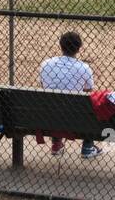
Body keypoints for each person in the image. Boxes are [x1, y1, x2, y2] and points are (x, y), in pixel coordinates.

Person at [38, 30, 101, 159]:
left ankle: (56, 144)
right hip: (75, 117)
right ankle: (87, 146)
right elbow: (88, 91)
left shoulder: (46, 64)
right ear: (79, 49)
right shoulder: (84, 68)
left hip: (49, 116)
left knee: (54, 101)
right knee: (91, 104)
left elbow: (44, 86)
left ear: (60, 46)